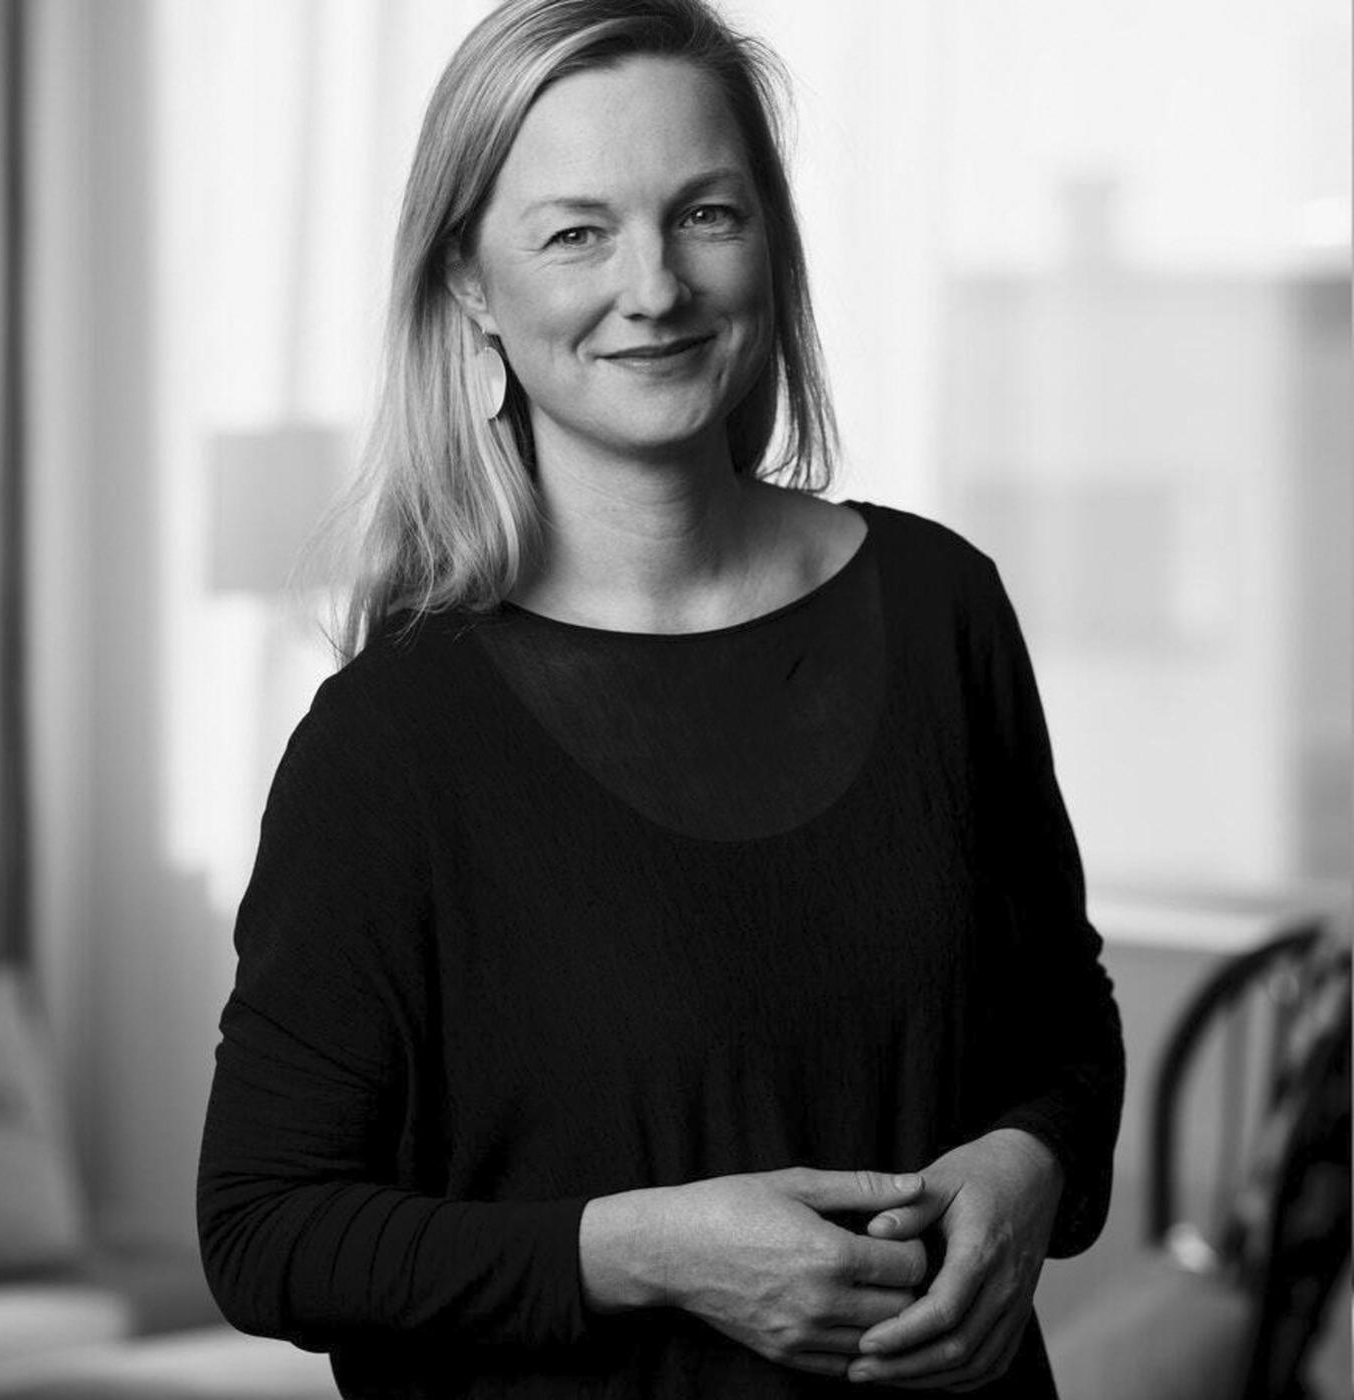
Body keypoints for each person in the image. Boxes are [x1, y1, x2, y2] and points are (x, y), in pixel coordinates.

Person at [196, 0, 1125, 1395]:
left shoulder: (943, 609)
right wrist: (639, 1250)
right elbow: (266, 1232)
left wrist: (1032, 1158)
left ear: (772, 241)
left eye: (706, 214)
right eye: (577, 230)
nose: (655, 287)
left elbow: (1065, 1020)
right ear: (468, 283)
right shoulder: (390, 747)